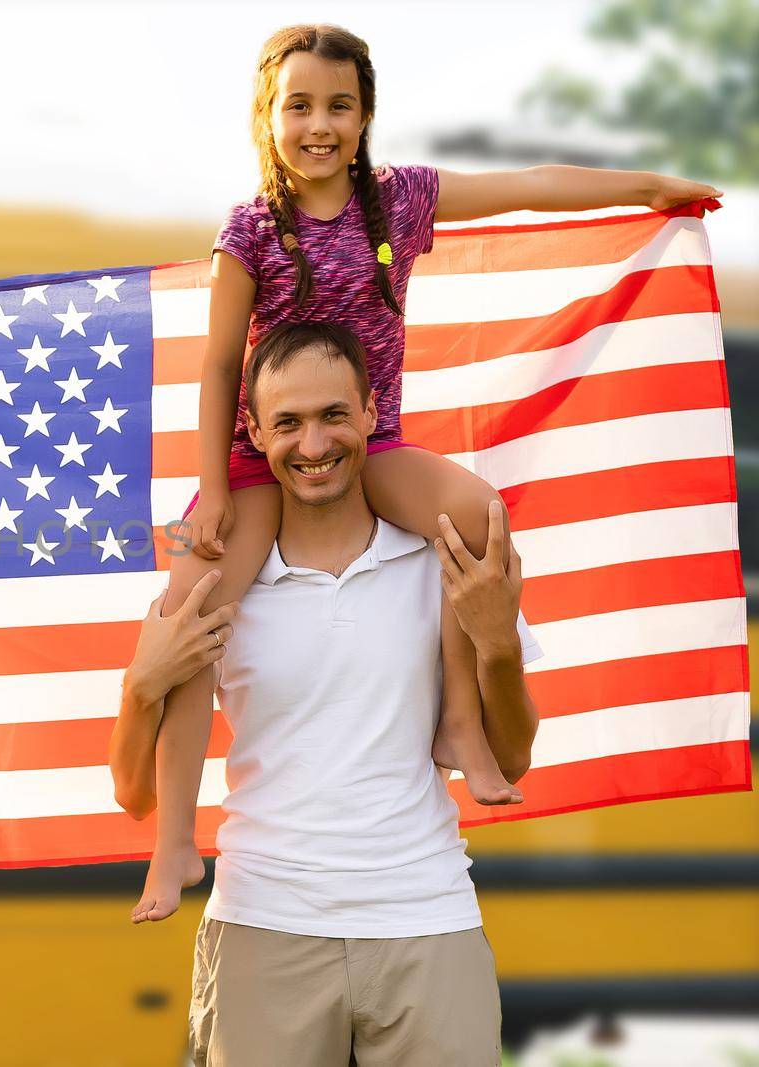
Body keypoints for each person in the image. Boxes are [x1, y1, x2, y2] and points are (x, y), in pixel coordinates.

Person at [135, 20, 723, 923]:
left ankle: (457, 719)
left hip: (374, 448)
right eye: (299, 106)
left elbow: (529, 187)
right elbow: (217, 365)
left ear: (366, 116)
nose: (319, 125)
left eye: (340, 105)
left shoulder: (399, 201)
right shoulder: (249, 228)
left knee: (478, 514)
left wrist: (648, 185)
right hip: (259, 461)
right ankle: (175, 839)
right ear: (270, 115)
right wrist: (212, 484)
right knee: (185, 614)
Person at [112, 321, 541, 1065]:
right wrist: (138, 683)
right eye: (288, 422)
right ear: (252, 430)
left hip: (426, 919)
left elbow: (514, 755)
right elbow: (132, 790)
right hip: (262, 922)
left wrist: (498, 643)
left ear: (373, 412)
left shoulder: (438, 554)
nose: (313, 444)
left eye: (333, 415)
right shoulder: (221, 580)